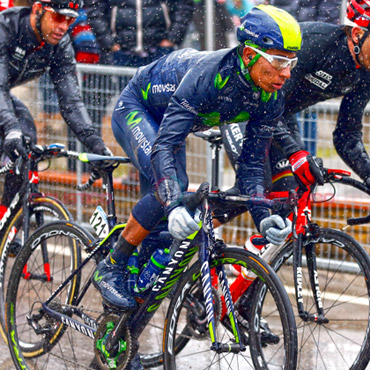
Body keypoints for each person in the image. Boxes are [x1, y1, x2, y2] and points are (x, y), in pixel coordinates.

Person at [93, 4, 301, 312]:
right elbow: (164, 145)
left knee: (159, 251)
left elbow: (253, 164)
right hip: (138, 108)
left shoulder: (270, 95)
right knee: (175, 185)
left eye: (292, 62)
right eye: (279, 61)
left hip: (169, 120)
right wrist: (174, 202)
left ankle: (121, 334)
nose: (286, 73)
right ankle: (111, 265)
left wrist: (261, 216)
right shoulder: (210, 77)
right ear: (249, 55)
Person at [222, 0, 370, 194]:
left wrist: (368, 174)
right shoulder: (316, 43)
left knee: (297, 188)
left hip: (279, 114)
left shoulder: (365, 73)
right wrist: (295, 151)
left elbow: (346, 136)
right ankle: (189, 218)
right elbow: (264, 103)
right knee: (258, 186)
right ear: (357, 34)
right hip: (244, 106)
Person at [0, 0, 111, 218]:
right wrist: (11, 128)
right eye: (58, 18)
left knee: (26, 139)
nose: (63, 26)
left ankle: (4, 222)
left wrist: (95, 144)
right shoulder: (7, 27)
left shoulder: (59, 45)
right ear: (37, 10)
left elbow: (71, 102)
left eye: (69, 20)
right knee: (13, 132)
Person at [84, 0, 194, 67]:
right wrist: (109, 43)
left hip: (160, 49)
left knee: (162, 99)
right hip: (123, 50)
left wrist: (172, 38)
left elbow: (184, 6)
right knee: (129, 99)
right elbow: (95, 9)